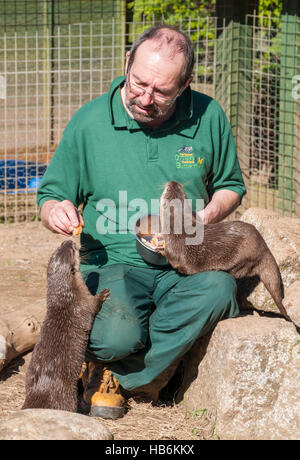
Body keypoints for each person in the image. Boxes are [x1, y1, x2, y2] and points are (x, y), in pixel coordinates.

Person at [37, 24, 246, 420]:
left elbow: (230, 186)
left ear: (184, 85)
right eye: (139, 83)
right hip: (112, 262)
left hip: (183, 262)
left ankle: (123, 374)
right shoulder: (90, 122)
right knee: (115, 336)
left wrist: (207, 215)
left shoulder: (209, 116)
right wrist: (56, 211)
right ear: (128, 62)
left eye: (162, 91)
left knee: (220, 290)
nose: (146, 98)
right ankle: (139, 356)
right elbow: (50, 195)